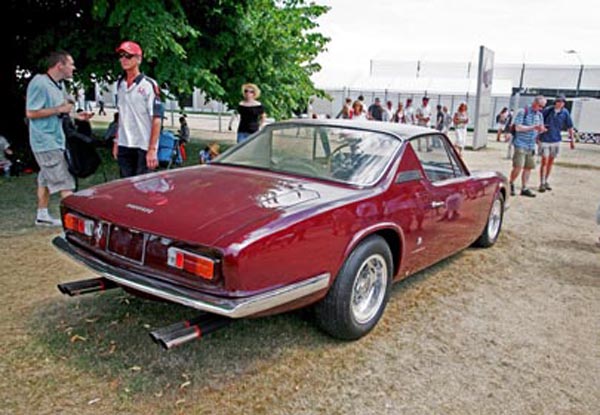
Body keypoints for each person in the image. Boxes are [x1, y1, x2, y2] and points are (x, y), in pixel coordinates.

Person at [25, 50, 93, 226]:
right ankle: (74, 223)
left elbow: (62, 110)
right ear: (59, 65)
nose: (73, 67)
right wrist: (59, 110)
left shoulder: (58, 85)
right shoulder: (39, 83)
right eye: (70, 64)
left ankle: (42, 215)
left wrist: (78, 117)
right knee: (66, 183)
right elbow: (31, 112)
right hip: (45, 141)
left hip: (56, 139)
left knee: (45, 179)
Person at [112, 41, 163, 178]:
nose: (124, 59)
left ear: (138, 59)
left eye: (128, 56)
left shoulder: (148, 85)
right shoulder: (120, 85)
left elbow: (157, 119)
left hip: (143, 144)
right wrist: (117, 141)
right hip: (125, 143)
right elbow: (121, 116)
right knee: (125, 187)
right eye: (121, 56)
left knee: (143, 187)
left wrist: (152, 149)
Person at [508, 95, 547, 197]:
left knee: (528, 167)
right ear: (535, 103)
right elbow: (518, 127)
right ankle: (511, 183)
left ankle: (524, 187)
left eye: (543, 107)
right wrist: (533, 127)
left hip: (531, 145)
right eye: (540, 106)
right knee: (518, 166)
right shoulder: (523, 112)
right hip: (521, 143)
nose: (541, 108)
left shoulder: (539, 115)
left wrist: (541, 130)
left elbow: (540, 127)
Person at [537, 95, 575, 193]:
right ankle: (542, 182)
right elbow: (539, 120)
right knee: (544, 161)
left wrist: (572, 140)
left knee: (550, 162)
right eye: (558, 101)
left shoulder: (565, 113)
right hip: (545, 139)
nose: (559, 103)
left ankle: (546, 180)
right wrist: (537, 136)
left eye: (562, 102)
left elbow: (570, 126)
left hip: (556, 139)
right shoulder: (548, 110)